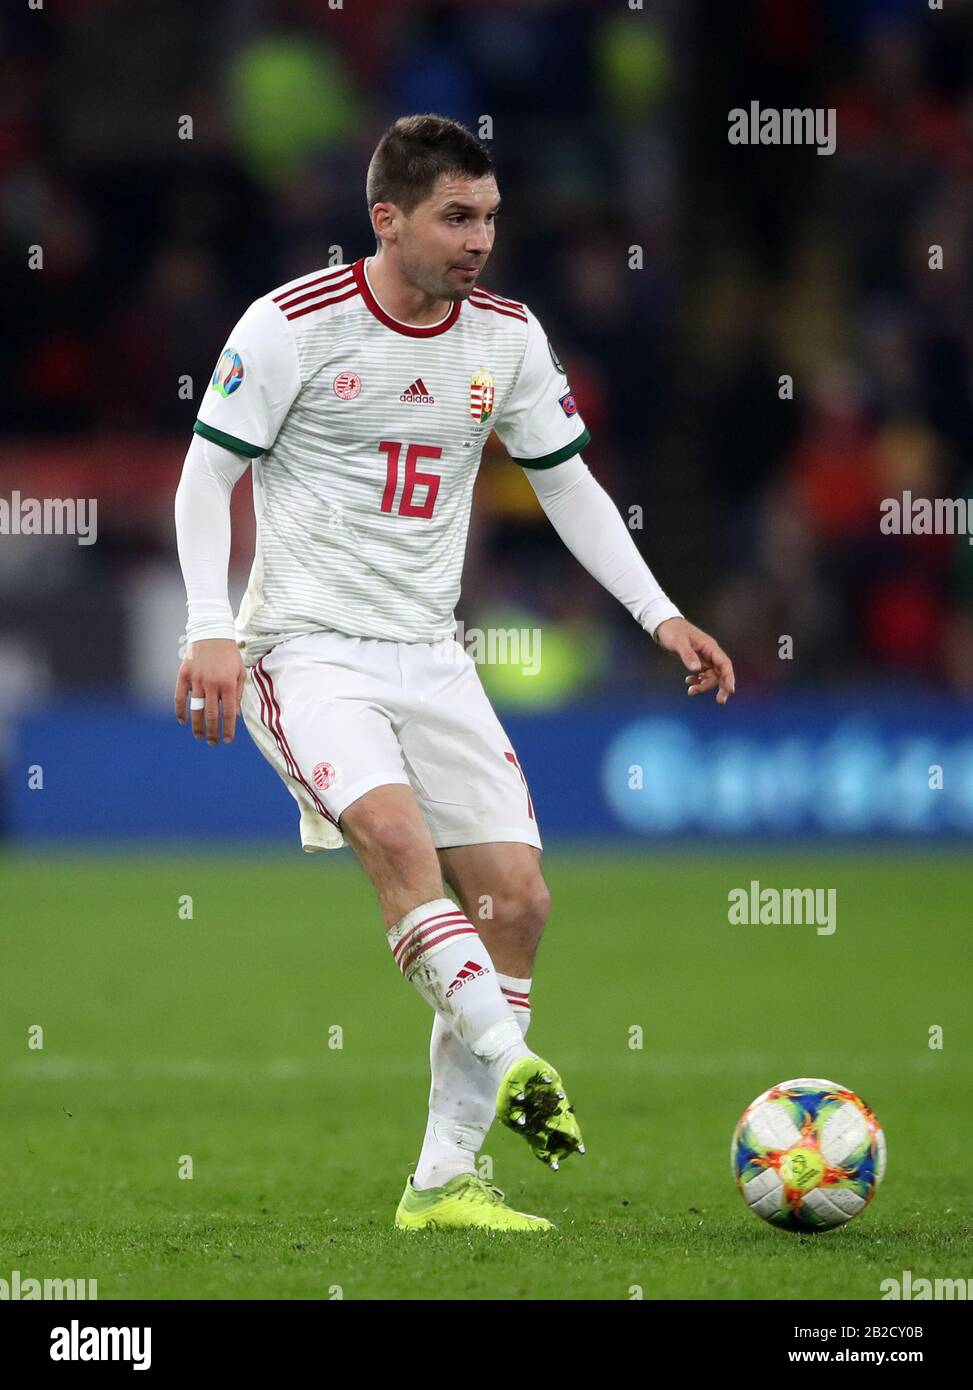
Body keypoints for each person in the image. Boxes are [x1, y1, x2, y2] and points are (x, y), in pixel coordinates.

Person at [173, 113, 735, 1233]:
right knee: (395, 841)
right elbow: (203, 479)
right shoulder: (292, 325)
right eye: (455, 217)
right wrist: (208, 627)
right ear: (386, 219)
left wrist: (659, 611)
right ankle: (514, 1057)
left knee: (517, 901)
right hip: (306, 647)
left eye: (488, 216)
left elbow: (569, 485)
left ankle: (443, 1184)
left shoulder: (508, 338)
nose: (479, 238)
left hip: (434, 653)